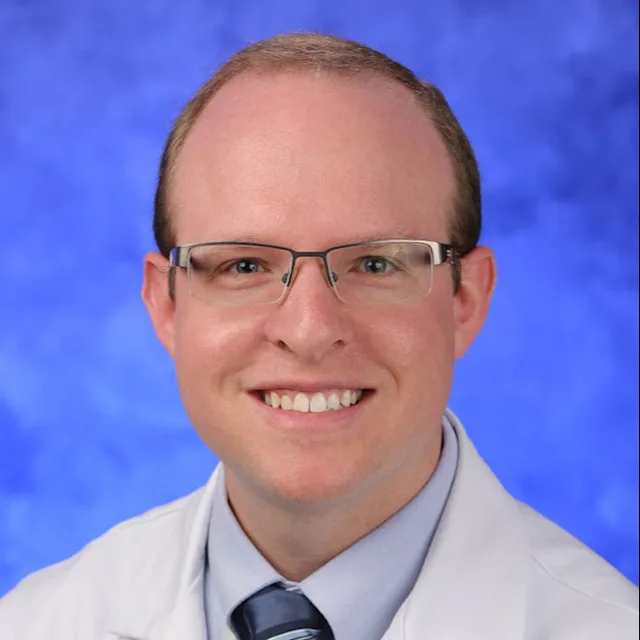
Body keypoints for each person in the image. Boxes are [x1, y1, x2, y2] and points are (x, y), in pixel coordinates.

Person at [0, 32, 637, 640]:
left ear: (464, 300)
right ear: (167, 305)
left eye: (376, 264)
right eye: (243, 266)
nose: (308, 331)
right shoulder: (34, 624)